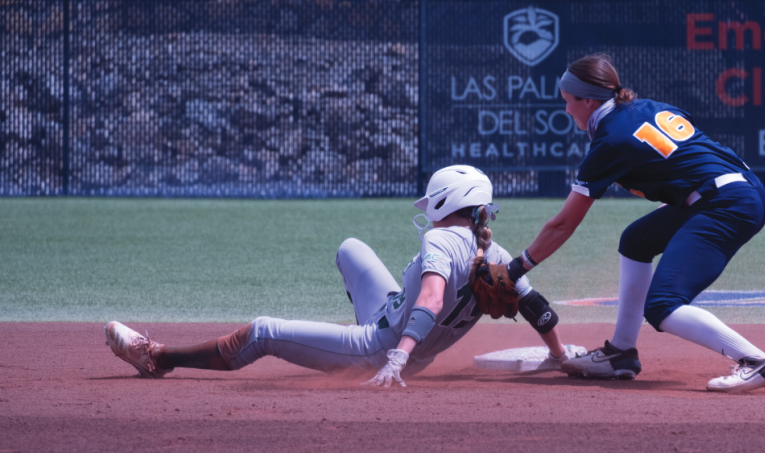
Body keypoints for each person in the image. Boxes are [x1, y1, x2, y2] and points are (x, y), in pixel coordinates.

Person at [104, 165, 580, 387]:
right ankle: (340, 340)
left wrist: (397, 358)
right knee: (350, 250)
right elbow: (537, 308)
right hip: (391, 319)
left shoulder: (439, 241)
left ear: (444, 203)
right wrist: (559, 355)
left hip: (379, 349)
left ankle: (159, 358)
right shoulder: (492, 251)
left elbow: (432, 300)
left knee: (264, 331)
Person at [502, 53, 765, 393]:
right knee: (637, 241)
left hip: (726, 203)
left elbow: (564, 224)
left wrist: (516, 268)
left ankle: (756, 361)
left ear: (588, 101)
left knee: (663, 305)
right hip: (737, 189)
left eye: (569, 101)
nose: (566, 110)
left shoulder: (610, 140)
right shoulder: (649, 107)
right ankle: (620, 353)